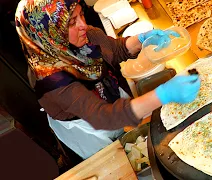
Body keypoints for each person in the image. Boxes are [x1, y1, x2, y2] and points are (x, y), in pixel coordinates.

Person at [15, 0, 200, 159]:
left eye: (81, 15)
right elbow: (106, 116)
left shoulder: (84, 36)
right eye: (71, 22)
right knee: (117, 157)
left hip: (108, 98)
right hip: (87, 126)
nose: (83, 25)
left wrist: (143, 39)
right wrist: (164, 94)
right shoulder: (53, 82)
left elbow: (113, 48)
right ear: (48, 33)